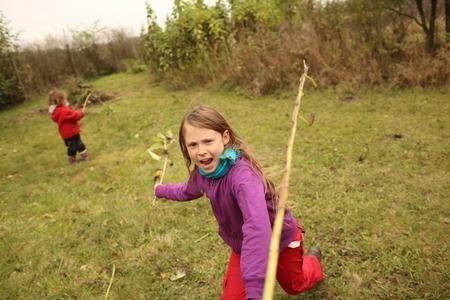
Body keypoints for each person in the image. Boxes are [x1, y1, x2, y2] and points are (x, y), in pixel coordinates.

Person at [154, 106, 324, 299]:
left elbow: (257, 228)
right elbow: (186, 190)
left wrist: (255, 290)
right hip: (244, 247)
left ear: (225, 138)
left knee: (295, 285)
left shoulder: (243, 178)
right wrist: (160, 190)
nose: (201, 151)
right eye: (193, 145)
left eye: (208, 141)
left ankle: (313, 261)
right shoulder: (202, 174)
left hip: (281, 240)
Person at [48, 90, 89, 164]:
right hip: (71, 133)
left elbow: (69, 118)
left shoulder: (57, 111)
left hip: (66, 134)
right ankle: (75, 160)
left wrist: (76, 123)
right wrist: (82, 114)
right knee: (76, 146)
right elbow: (74, 115)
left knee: (73, 146)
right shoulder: (64, 110)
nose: (66, 100)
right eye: (65, 99)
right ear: (61, 100)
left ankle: (81, 158)